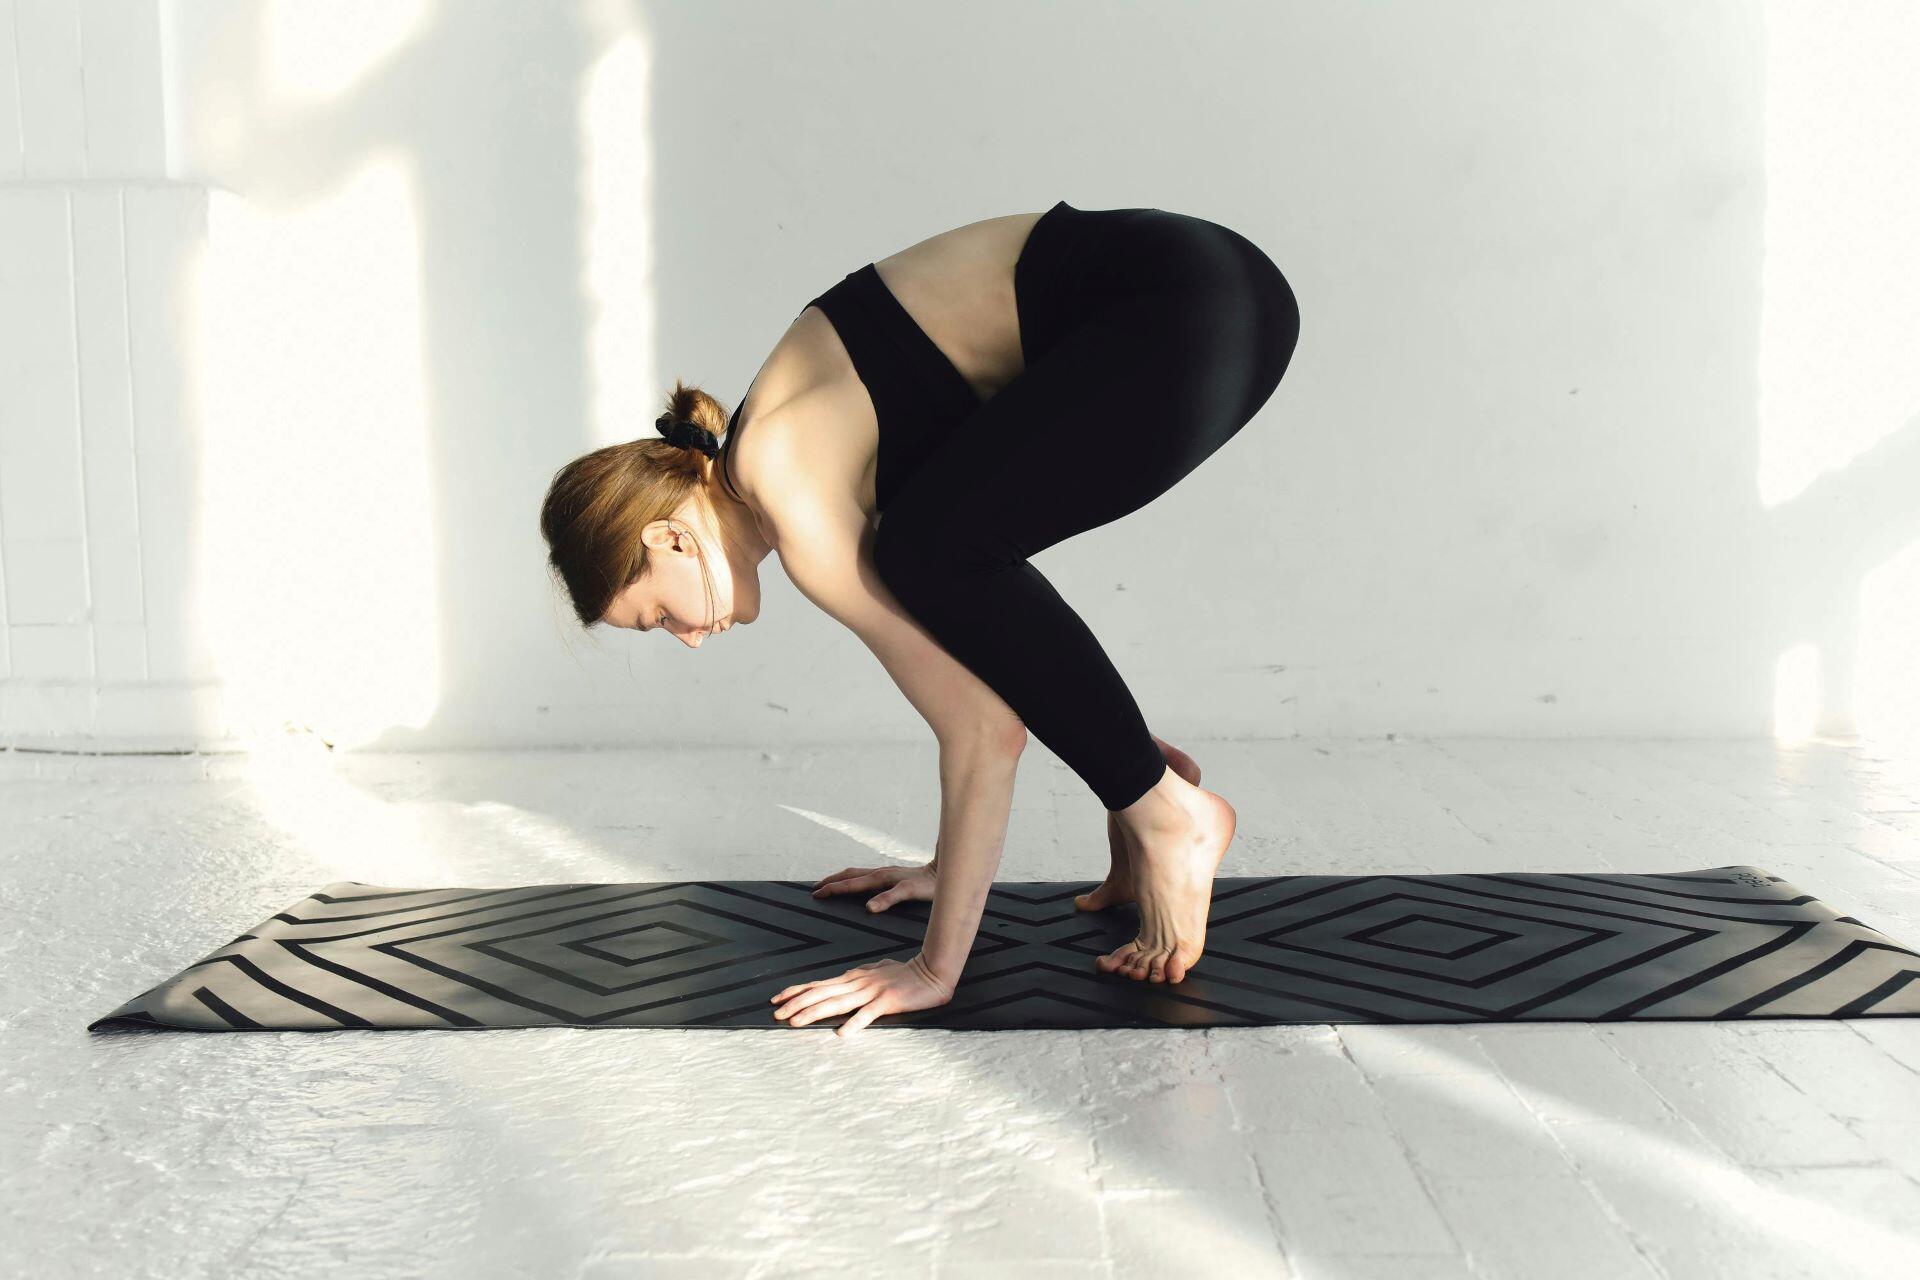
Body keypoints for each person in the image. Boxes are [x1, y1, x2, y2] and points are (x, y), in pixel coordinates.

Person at [539, 201, 1301, 1037]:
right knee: (950, 565)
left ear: (668, 538)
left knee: (936, 555)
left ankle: (1169, 817)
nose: (687, 638)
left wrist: (932, 969)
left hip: (1181, 312)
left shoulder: (784, 480)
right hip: (1209, 291)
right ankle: (1142, 791)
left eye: (655, 618)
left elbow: (982, 731)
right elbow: (985, 656)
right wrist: (952, 867)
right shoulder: (791, 453)